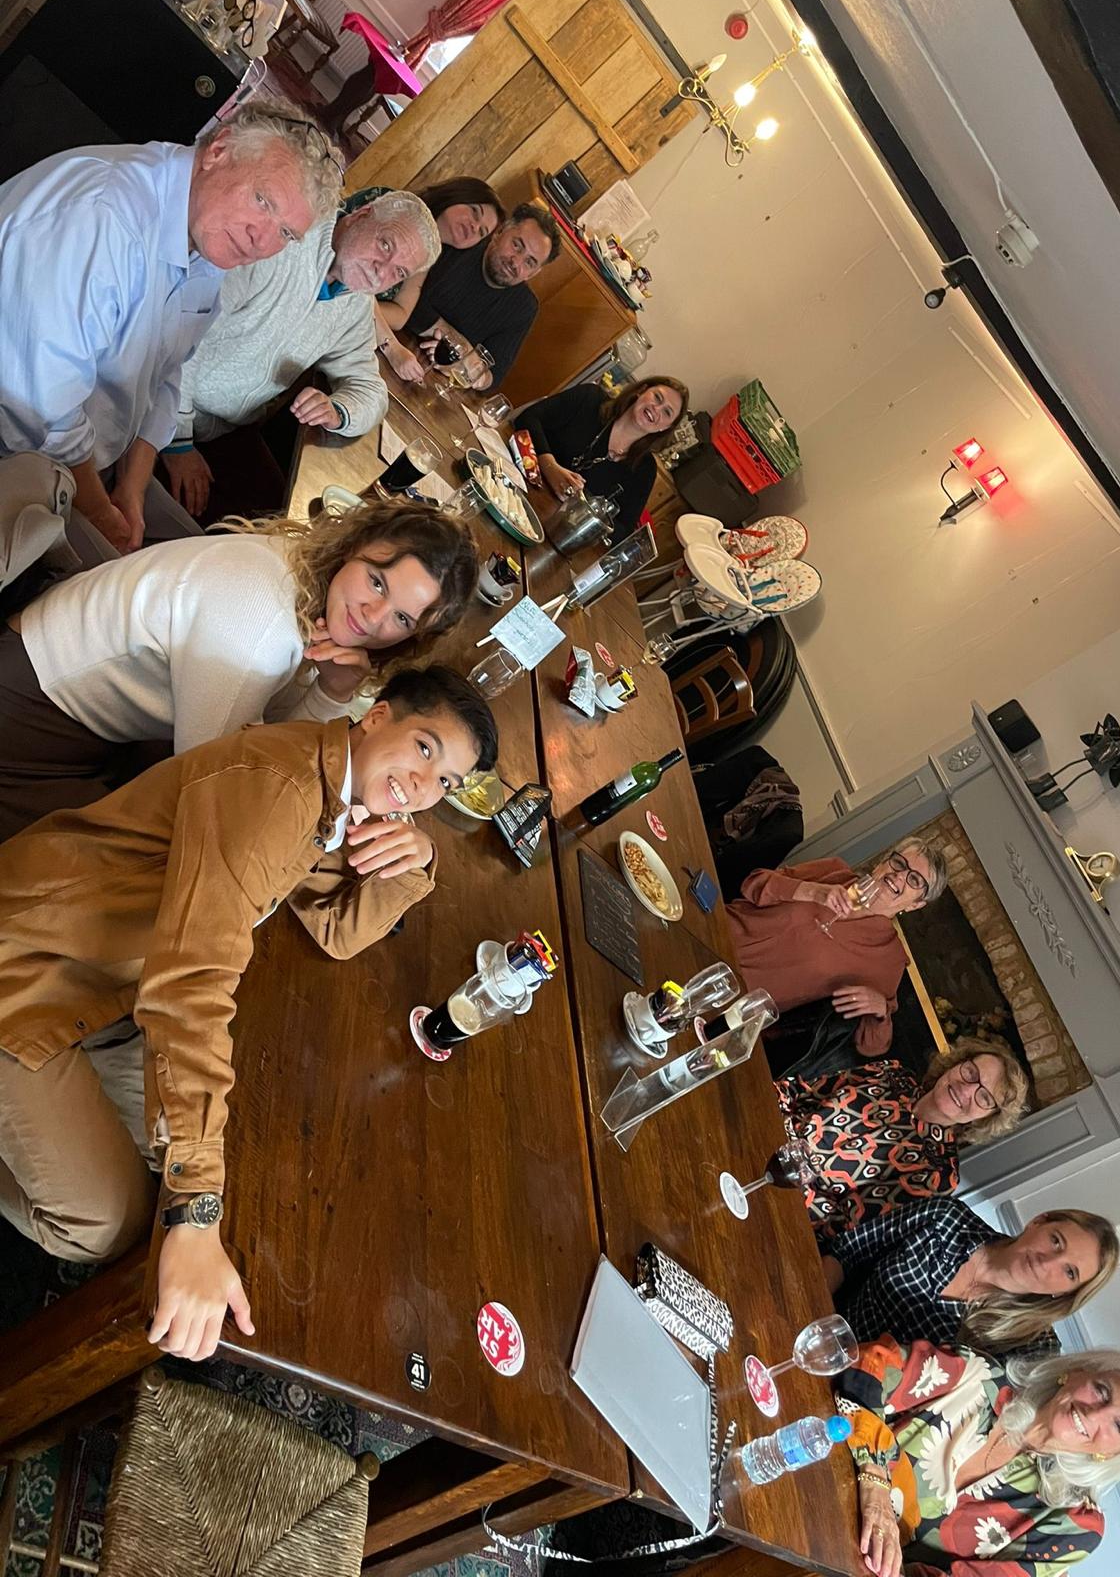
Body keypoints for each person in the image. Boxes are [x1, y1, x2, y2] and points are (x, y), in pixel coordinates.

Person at [0, 666, 498, 1362]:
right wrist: (196, 1206)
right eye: (424, 748)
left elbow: (338, 930)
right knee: (109, 1225)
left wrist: (417, 860)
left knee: (201, 1154)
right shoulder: (281, 786)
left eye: (445, 781)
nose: (423, 787)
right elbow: (190, 981)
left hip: (110, 989)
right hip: (29, 975)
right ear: (378, 715)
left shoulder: (336, 793)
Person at [0, 502, 477, 841]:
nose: (373, 617)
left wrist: (333, 691)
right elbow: (226, 787)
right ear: (357, 545)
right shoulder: (261, 621)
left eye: (402, 619)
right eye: (377, 581)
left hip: (106, 721)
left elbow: (264, 728)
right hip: (33, 712)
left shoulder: (310, 579)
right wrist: (330, 827)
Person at [0, 99, 341, 562]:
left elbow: (168, 370)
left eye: (285, 234)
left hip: (95, 464)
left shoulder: (207, 237)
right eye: (263, 200)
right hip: (24, 458)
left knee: (217, 563)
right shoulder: (105, 219)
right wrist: (100, 511)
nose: (261, 240)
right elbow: (40, 410)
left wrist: (133, 487)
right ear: (219, 150)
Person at [162, 189, 442, 521]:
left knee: (288, 525)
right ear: (362, 215)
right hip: (163, 408)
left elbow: (371, 390)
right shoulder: (284, 241)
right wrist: (176, 441)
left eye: (399, 273)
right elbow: (183, 331)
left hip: (224, 429)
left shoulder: (355, 300)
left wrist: (339, 411)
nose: (381, 272)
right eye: (385, 245)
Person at [839, 1336, 1120, 1577]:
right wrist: (874, 1477)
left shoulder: (1073, 1523)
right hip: (826, 1495)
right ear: (1074, 1373)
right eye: (1101, 1390)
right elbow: (869, 1361)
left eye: (1119, 1425)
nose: (1095, 1413)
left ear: (1113, 1453)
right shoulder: (977, 1377)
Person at [777, 1039, 1029, 1242]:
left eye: (984, 1098)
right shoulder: (893, 1073)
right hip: (771, 1131)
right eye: (971, 1072)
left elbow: (844, 1228)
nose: (967, 1089)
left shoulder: (937, 1173)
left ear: (987, 1118)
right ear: (956, 1063)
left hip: (789, 1209)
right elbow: (800, 1091)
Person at [727, 840, 948, 1066]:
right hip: (717, 931)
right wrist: (811, 891)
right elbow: (753, 883)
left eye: (914, 880)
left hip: (735, 1001)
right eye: (899, 863)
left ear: (916, 905)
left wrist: (881, 1010)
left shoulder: (888, 958)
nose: (899, 875)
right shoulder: (833, 871)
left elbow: (871, 1046)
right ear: (882, 863)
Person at [821, 1197, 1119, 1355]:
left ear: (1064, 1293)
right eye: (1056, 1241)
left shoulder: (1033, 1346)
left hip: (859, 1419)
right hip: (818, 1327)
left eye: (1069, 1272)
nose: (1048, 1262)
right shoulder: (946, 1217)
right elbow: (847, 1252)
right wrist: (810, 1318)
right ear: (1038, 1222)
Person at [377, 201, 559, 390]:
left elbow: (492, 376)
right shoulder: (464, 239)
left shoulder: (524, 307)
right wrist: (460, 346)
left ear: (533, 273)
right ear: (500, 231)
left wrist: (473, 373)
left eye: (529, 262)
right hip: (382, 333)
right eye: (516, 245)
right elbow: (410, 300)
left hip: (425, 378)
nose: (516, 262)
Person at [518, 376, 689, 541]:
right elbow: (528, 418)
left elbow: (623, 531)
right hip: (518, 484)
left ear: (666, 427)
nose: (656, 409)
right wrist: (548, 465)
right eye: (657, 397)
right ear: (641, 391)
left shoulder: (645, 470)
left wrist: (585, 510)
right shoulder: (590, 398)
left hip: (557, 533)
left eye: (667, 412)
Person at [347, 177, 504, 340]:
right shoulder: (395, 207)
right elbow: (345, 266)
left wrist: (362, 308)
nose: (474, 227)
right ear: (456, 195)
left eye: (481, 232)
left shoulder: (428, 255)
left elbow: (401, 315)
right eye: (475, 212)